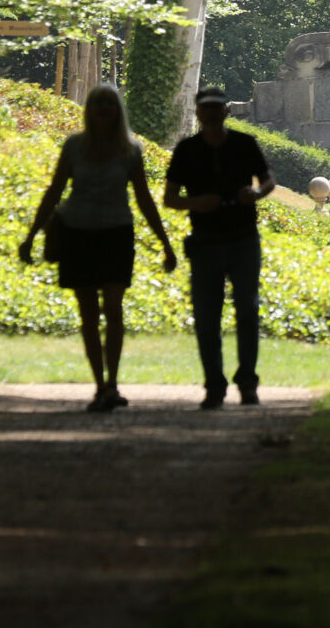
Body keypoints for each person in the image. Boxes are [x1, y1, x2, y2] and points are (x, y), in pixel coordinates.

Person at [19, 84, 176, 412]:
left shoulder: (130, 149)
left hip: (116, 233)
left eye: (110, 103)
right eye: (98, 103)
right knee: (88, 314)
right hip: (77, 234)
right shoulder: (74, 147)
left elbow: (144, 198)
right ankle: (100, 385)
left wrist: (165, 244)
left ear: (118, 109)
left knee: (114, 310)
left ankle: (114, 383)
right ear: (89, 109)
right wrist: (31, 235)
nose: (104, 108)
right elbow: (54, 191)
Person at [162, 86, 274, 408]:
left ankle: (247, 383)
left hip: (243, 239)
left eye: (216, 108)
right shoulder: (187, 150)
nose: (210, 114)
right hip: (206, 242)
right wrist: (196, 202)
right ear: (198, 112)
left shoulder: (244, 144)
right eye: (205, 108)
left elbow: (268, 181)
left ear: (226, 112)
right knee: (207, 316)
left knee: (248, 311)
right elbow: (169, 198)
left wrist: (255, 194)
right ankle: (214, 385)